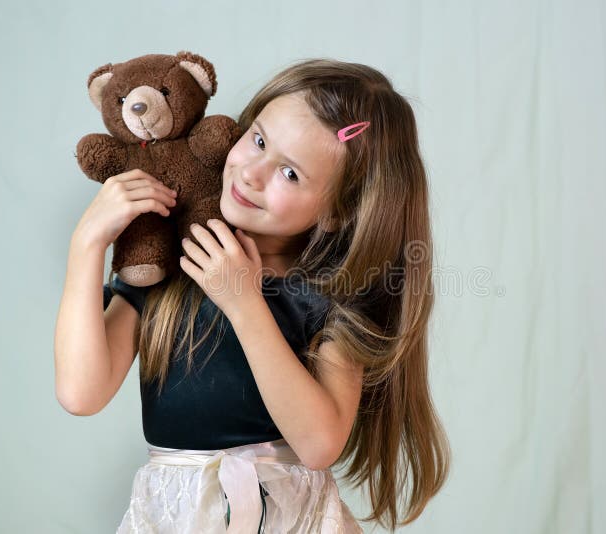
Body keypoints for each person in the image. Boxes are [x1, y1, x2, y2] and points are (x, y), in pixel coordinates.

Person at [54, 58, 451, 533]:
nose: (251, 174)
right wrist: (87, 245)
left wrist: (243, 303)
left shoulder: (331, 298)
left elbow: (320, 444)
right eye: (259, 141)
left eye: (291, 174)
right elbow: (81, 393)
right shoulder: (168, 265)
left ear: (339, 212)